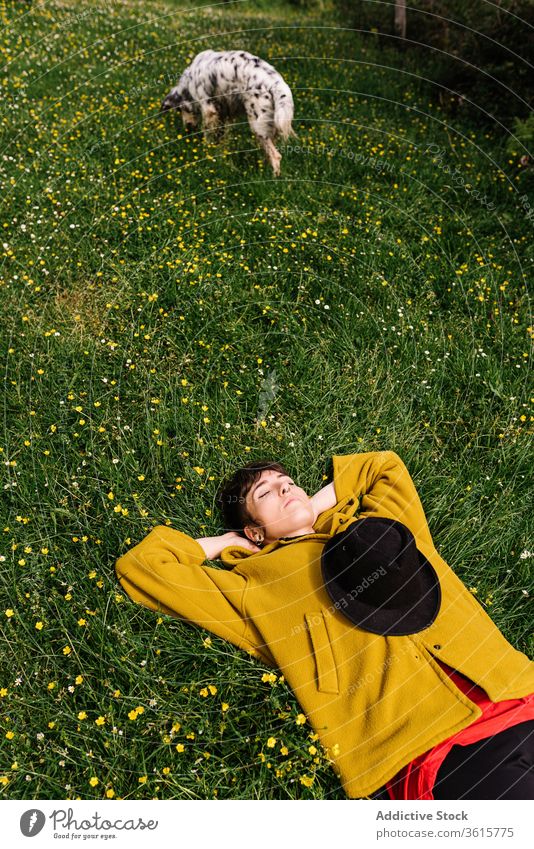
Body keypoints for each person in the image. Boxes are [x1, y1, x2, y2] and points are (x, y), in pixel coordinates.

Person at [115, 450, 534, 799]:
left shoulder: (377, 529)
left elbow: (383, 466)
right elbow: (144, 567)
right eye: (267, 493)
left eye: (288, 483)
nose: (285, 490)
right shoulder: (255, 587)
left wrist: (312, 506)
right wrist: (225, 543)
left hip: (515, 688)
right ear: (254, 530)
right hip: (429, 749)